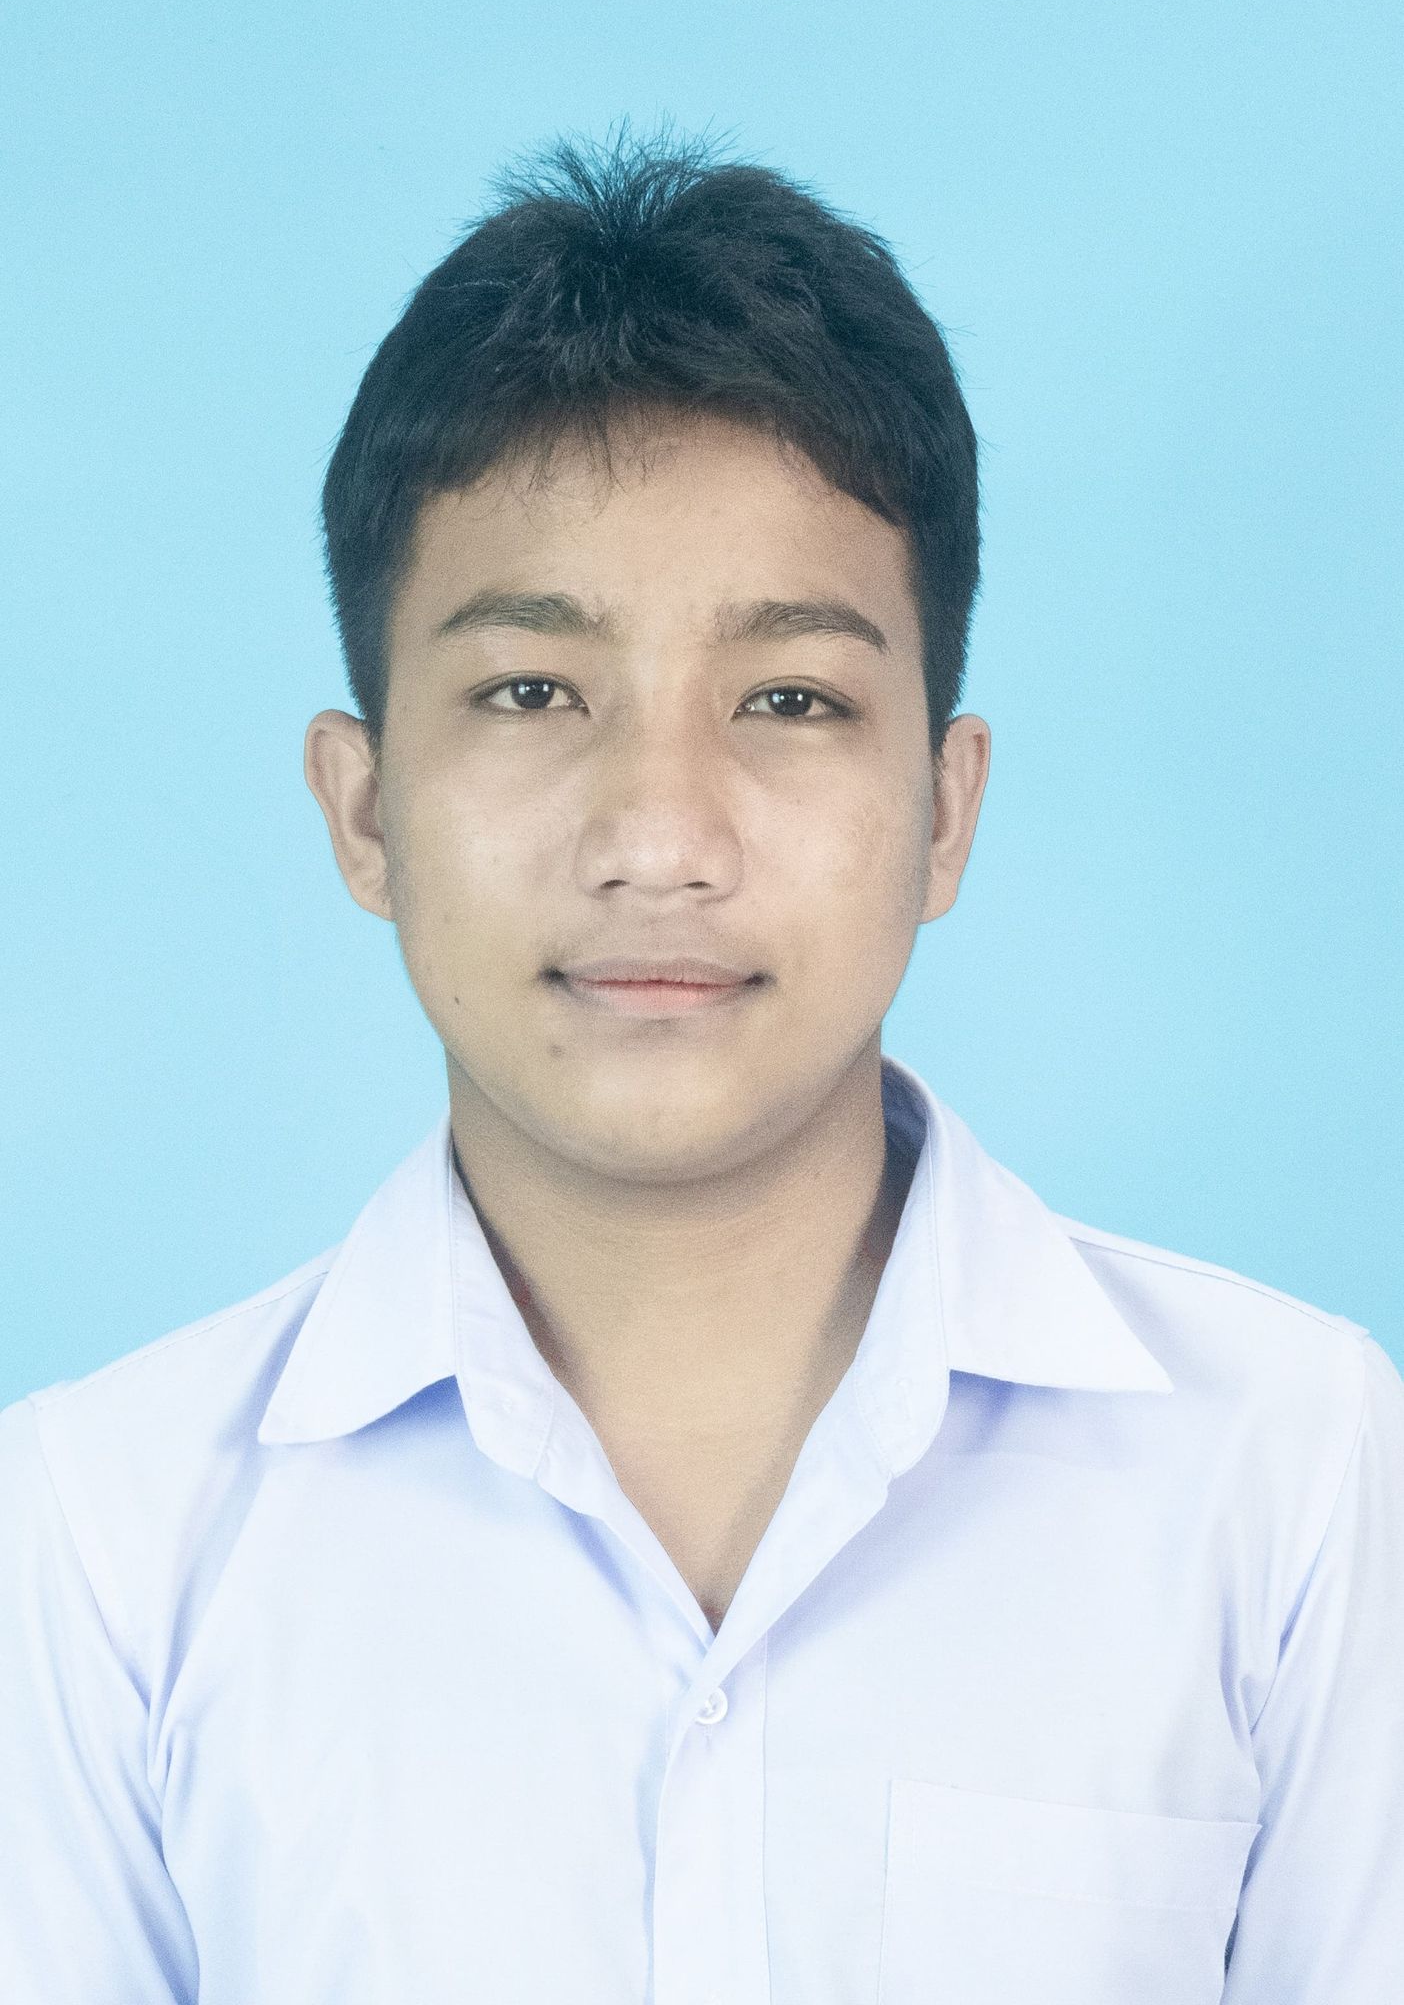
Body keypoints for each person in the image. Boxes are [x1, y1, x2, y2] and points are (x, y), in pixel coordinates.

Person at [2, 126, 1400, 2005]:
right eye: (530, 691)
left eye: (791, 698)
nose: (660, 836)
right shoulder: (99, 1540)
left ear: (945, 811)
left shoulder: (1295, 1476)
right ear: (363, 809)